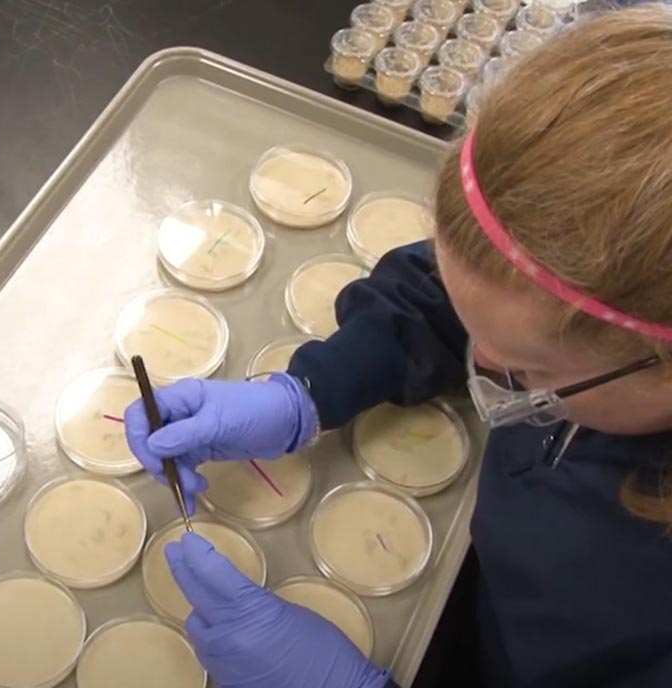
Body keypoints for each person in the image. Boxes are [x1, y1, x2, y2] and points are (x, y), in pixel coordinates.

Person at [125, 6, 672, 687]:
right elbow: (460, 297)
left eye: (529, 374)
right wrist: (310, 391)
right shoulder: (569, 294)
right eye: (480, 335)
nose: (487, 372)